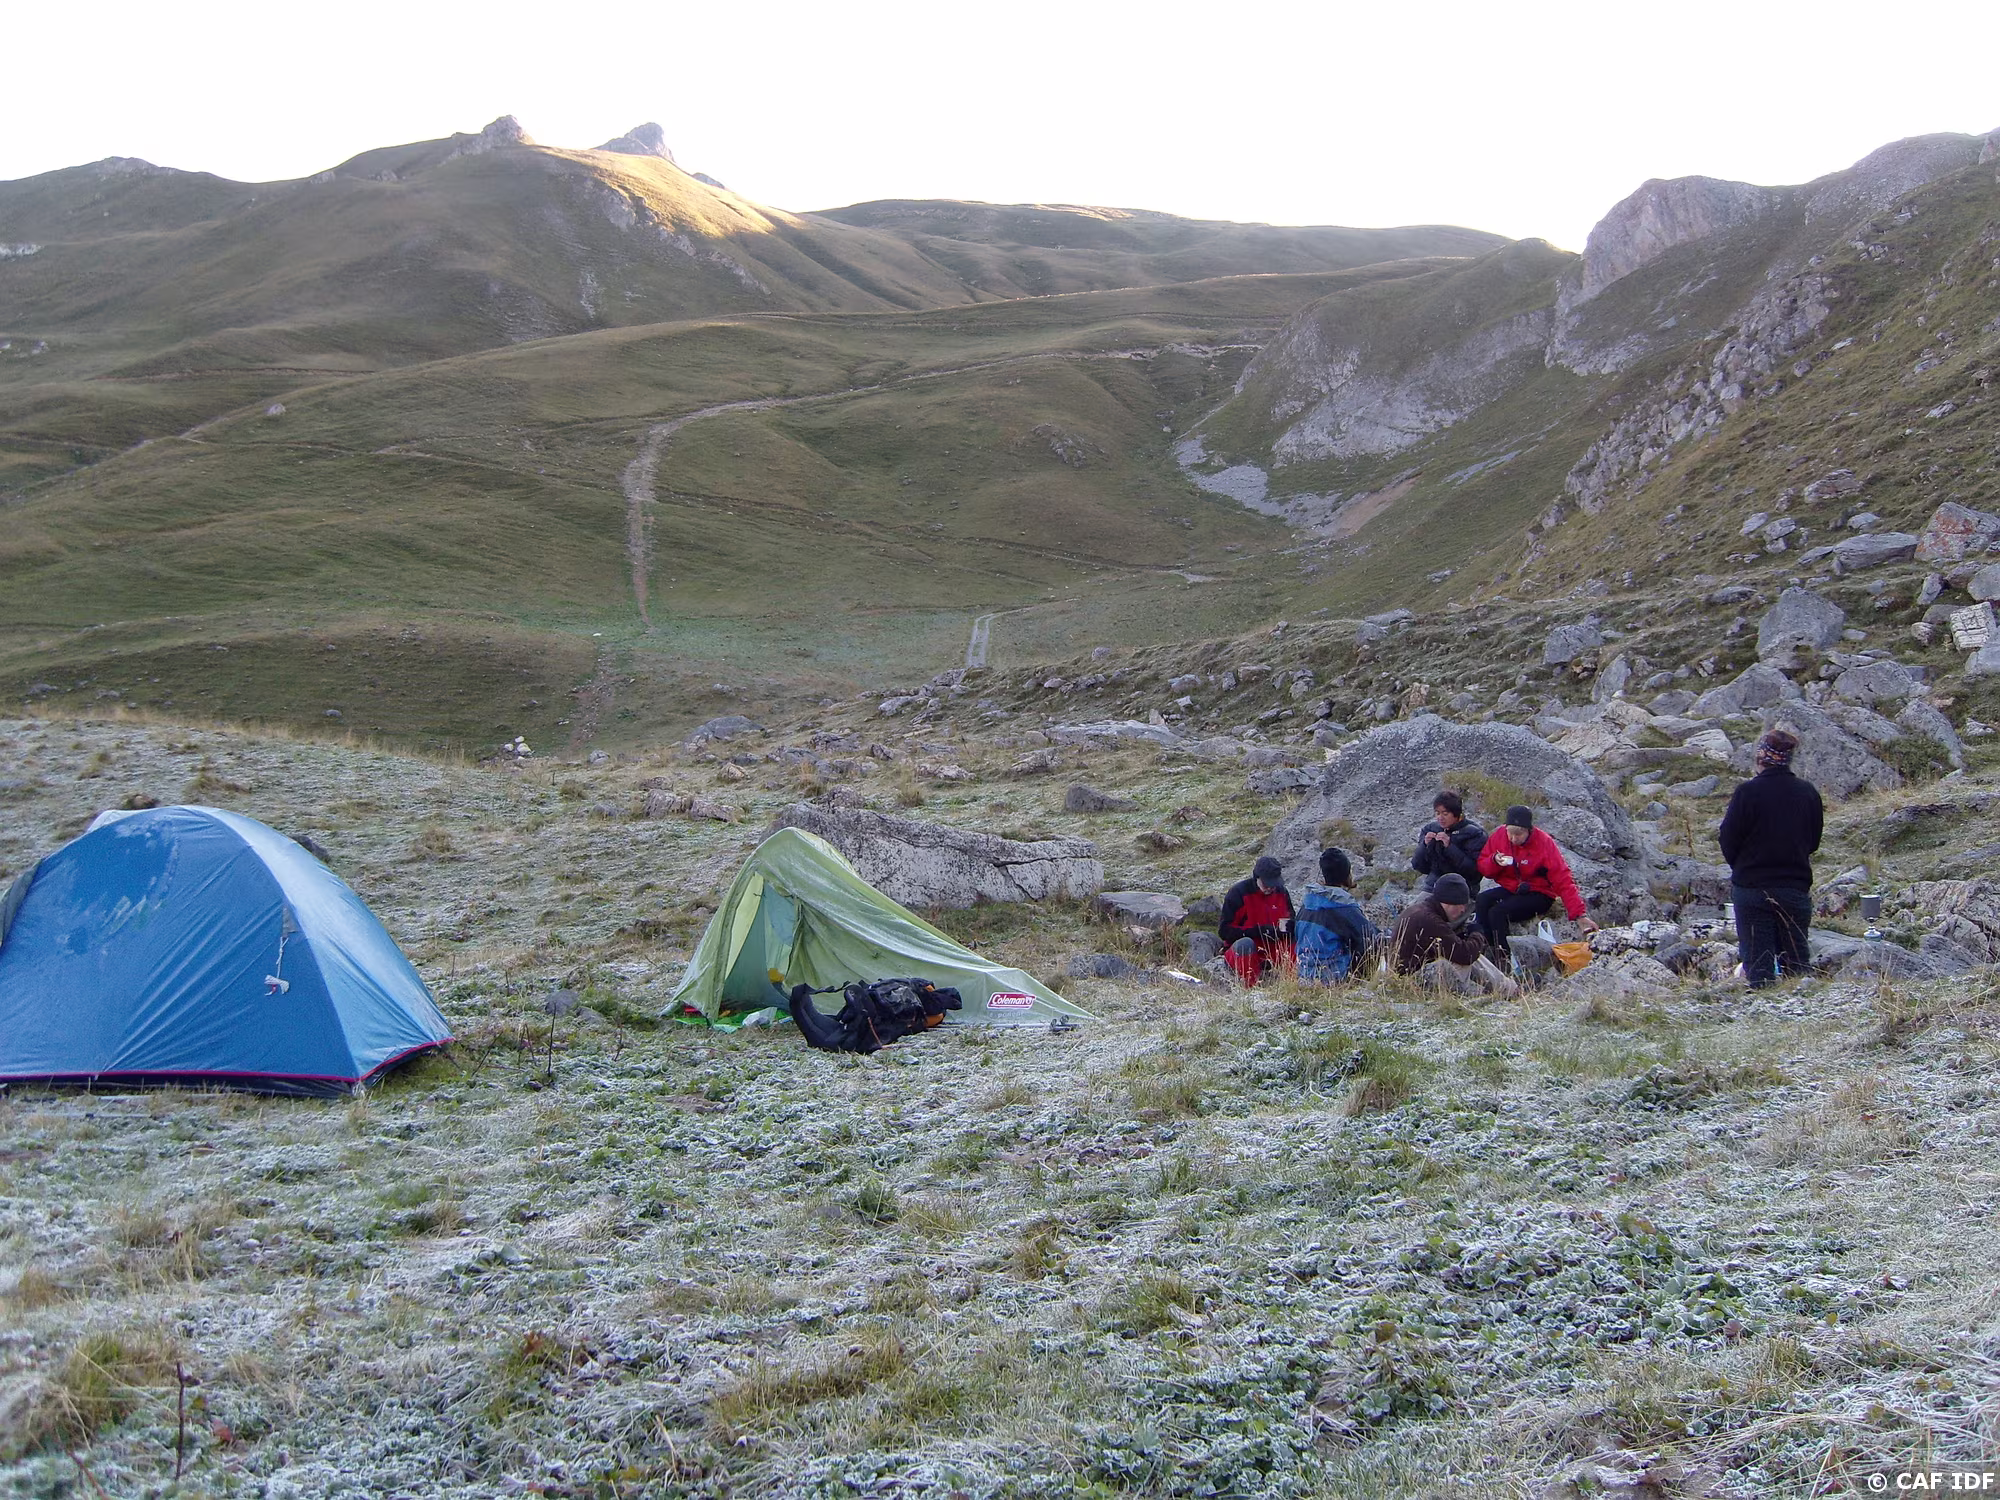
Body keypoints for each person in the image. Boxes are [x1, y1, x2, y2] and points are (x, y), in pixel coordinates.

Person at [1717, 728, 1823, 988]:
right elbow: (1813, 842)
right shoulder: (1807, 792)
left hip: (1751, 889)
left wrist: (1744, 868)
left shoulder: (1747, 792)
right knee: (1797, 963)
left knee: (1758, 964)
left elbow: (1728, 839)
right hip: (1794, 888)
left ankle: (1763, 1002)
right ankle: (1802, 1005)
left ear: (1761, 758)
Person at [1474, 806, 1597, 952]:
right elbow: (1483, 867)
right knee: (1482, 900)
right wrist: (1494, 860)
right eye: (1510, 833)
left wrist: (1579, 915)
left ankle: (1503, 956)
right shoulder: (1499, 836)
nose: (1513, 838)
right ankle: (1483, 947)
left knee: (1497, 912)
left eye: (1518, 834)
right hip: (1513, 888)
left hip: (1540, 893)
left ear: (1529, 830)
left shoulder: (1544, 843)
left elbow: (1563, 880)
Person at [1389, 873, 1517, 996]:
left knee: (1464, 951)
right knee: (1467, 957)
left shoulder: (1419, 910)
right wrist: (1477, 933)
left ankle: (1507, 988)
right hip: (1411, 980)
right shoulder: (1430, 920)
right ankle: (1508, 990)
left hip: (1402, 975)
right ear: (1449, 901)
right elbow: (1465, 955)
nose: (1463, 910)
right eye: (1462, 905)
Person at [1294, 848, 1375, 983]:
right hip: (1333, 979)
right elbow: (1369, 938)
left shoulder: (1307, 904)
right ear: (1346, 874)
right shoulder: (1344, 907)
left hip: (1303, 975)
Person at [1218, 854, 1295, 986]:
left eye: (1274, 884)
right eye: (1266, 884)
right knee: (1246, 944)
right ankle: (1252, 989)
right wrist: (1259, 931)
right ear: (1257, 878)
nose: (1270, 888)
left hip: (1274, 951)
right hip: (1244, 951)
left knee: (1297, 941)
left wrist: (1287, 928)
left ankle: (1293, 984)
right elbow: (1224, 931)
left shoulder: (1282, 892)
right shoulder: (1238, 893)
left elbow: (1291, 920)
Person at [1409, 791, 1485, 894]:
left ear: (1456, 814)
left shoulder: (1474, 834)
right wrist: (1424, 845)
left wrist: (1450, 847)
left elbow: (1474, 873)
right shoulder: (1430, 829)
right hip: (1433, 885)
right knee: (1419, 904)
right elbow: (1418, 865)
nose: (1440, 818)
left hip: (1462, 888)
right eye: (1437, 813)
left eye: (1445, 814)